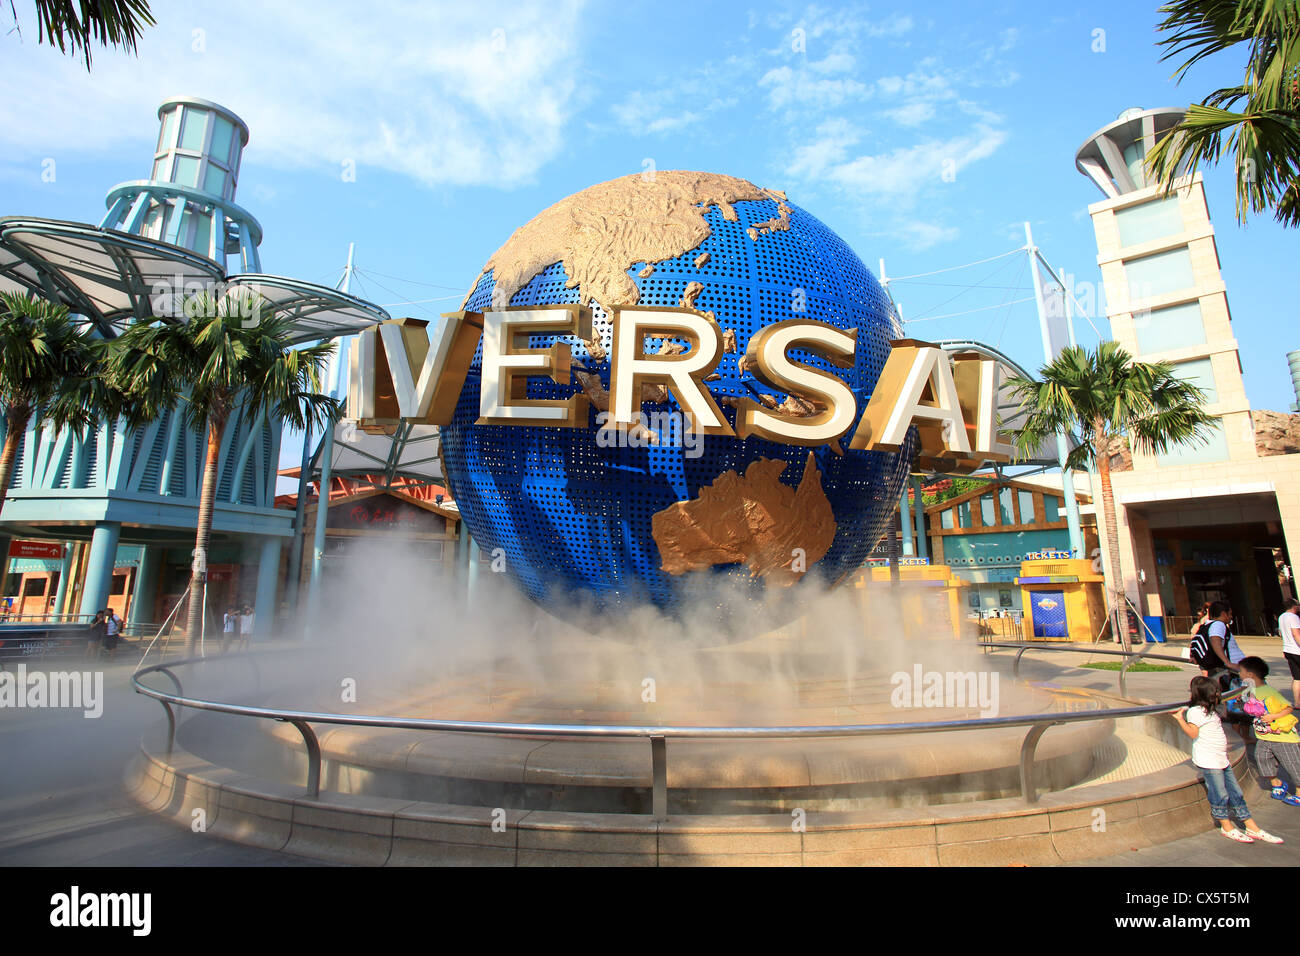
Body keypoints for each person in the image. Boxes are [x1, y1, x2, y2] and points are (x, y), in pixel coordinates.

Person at [1172, 676, 1283, 844]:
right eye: (1215, 691)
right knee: (1220, 793)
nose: (1218, 694)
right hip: (1209, 760)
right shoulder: (1195, 711)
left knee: (1236, 792)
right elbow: (1193, 733)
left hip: (1220, 758)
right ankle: (1226, 825)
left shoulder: (1210, 709)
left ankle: (1251, 825)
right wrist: (1180, 719)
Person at [1237, 656, 1300, 804]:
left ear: (1250, 675)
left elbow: (1289, 707)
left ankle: (1298, 792)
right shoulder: (1251, 691)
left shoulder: (1269, 692)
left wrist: (1273, 716)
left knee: (1293, 764)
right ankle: (1276, 783)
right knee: (1261, 759)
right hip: (1265, 737)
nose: (1239, 674)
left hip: (1283, 738)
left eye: (1241, 671)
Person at [1278, 597, 1300, 708]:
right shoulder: (1294, 617)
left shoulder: (1281, 617)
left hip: (1287, 649)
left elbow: (1281, 633)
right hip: (1297, 650)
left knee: (1297, 677)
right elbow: (1296, 634)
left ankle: (1297, 702)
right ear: (1294, 606)